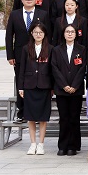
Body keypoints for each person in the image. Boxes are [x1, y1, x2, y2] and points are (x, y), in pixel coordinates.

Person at [5, 0, 51, 123]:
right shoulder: (15, 14)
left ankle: (37, 113)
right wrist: (10, 55)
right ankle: (22, 112)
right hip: (20, 54)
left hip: (39, 53)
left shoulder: (43, 14)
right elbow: (9, 36)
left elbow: (48, 34)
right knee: (21, 81)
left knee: (37, 81)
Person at [18, 22, 53, 155]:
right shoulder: (26, 48)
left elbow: (52, 69)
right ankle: (33, 144)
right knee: (30, 117)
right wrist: (21, 87)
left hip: (44, 86)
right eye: (36, 32)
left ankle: (41, 144)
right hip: (30, 85)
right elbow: (22, 69)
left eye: (41, 32)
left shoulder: (50, 48)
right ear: (31, 34)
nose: (38, 35)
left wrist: (52, 87)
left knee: (43, 117)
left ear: (44, 34)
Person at [51, 24, 86, 156]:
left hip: (76, 90)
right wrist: (64, 85)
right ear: (63, 34)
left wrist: (75, 85)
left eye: (72, 32)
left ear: (76, 34)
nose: (70, 34)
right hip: (61, 90)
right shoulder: (56, 50)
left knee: (74, 118)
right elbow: (54, 68)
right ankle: (63, 145)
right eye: (67, 32)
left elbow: (83, 68)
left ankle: (73, 146)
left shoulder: (82, 49)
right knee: (64, 118)